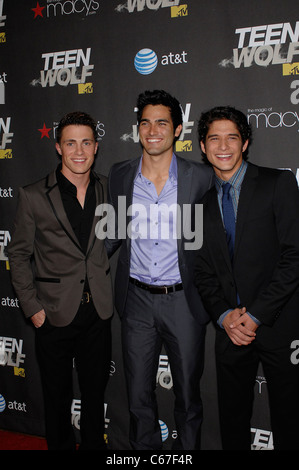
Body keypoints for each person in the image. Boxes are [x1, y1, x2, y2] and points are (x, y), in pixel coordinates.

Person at [105, 90, 214, 450]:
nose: (152, 130)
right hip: (135, 301)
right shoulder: (120, 174)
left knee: (187, 396)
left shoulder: (201, 177)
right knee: (138, 396)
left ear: (178, 129)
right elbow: (110, 236)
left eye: (162, 122)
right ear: (138, 129)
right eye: (145, 123)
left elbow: (215, 241)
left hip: (184, 301)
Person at [194, 106, 299, 450]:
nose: (223, 146)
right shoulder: (200, 206)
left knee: (290, 419)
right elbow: (202, 271)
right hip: (230, 330)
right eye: (214, 138)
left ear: (245, 143)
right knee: (233, 421)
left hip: (279, 325)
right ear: (203, 147)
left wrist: (254, 316)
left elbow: (293, 256)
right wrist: (225, 317)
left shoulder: (277, 183)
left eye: (232, 137)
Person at [8, 111, 113, 450]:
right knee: (56, 399)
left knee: (95, 397)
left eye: (86, 142)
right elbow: (18, 254)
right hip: (52, 314)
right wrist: (32, 308)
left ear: (96, 147)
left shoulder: (109, 190)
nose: (79, 151)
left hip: (98, 312)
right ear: (58, 147)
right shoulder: (33, 195)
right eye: (71, 143)